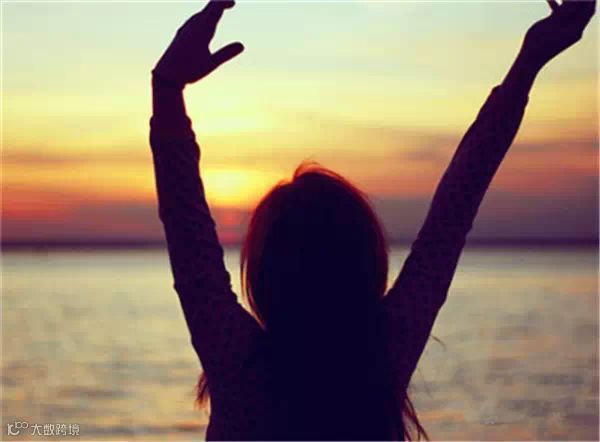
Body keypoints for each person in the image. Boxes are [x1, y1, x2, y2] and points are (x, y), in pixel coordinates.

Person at [149, 1, 595, 439]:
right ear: (366, 261)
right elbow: (456, 204)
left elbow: (188, 231)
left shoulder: (238, 364)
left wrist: (168, 88)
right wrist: (529, 62)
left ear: (264, 273)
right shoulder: (385, 354)